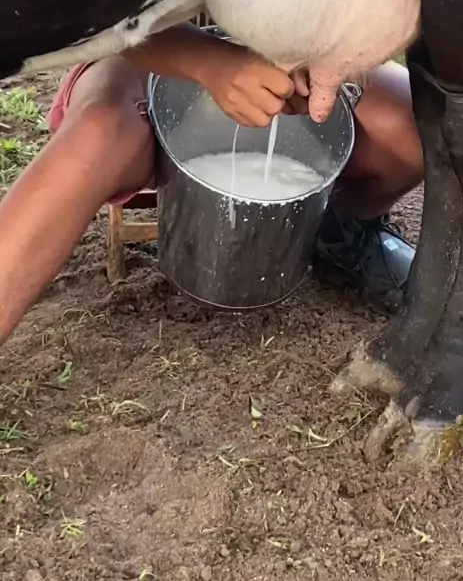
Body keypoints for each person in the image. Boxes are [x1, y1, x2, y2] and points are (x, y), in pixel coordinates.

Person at [0, 24, 422, 345]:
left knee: (414, 123)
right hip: (144, 43)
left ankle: (339, 233)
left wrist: (332, 52)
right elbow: (94, 11)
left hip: (286, 40)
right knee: (99, 132)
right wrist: (209, 61)